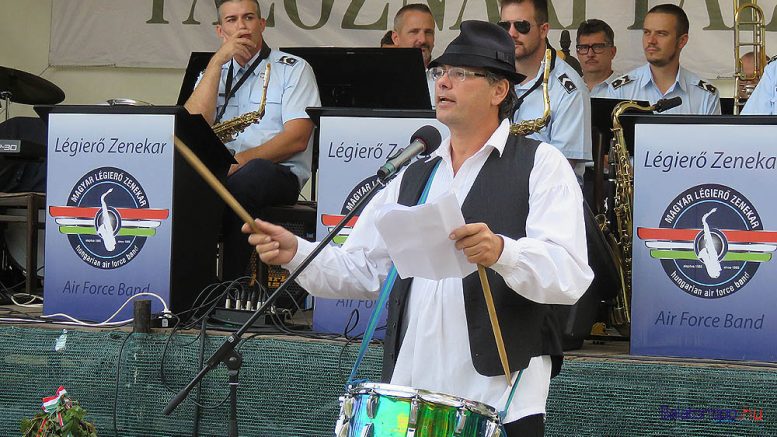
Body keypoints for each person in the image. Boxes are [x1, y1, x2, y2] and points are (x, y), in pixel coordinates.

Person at [245, 20, 593, 436]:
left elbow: (570, 274)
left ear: (499, 90)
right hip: (411, 396)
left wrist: (504, 252)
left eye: (461, 73)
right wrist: (297, 252)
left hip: (501, 397)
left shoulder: (541, 163)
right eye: (440, 72)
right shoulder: (414, 175)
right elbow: (368, 271)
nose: (443, 82)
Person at [184, 0, 320, 281]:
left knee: (251, 176)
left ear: (262, 24)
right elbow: (192, 127)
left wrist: (237, 162)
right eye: (232, 20)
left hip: (275, 174)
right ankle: (193, 288)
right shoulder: (213, 71)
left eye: (248, 18)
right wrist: (217, 62)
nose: (242, 26)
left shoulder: (294, 69)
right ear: (220, 31)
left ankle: (231, 286)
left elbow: (297, 139)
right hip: (221, 173)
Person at [499, 0, 592, 185]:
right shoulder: (494, 77)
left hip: (548, 191)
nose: (511, 33)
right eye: (504, 26)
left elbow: (561, 168)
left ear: (544, 30)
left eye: (522, 26)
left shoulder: (570, 90)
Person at [606, 4, 721, 115]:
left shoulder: (705, 95)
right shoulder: (620, 90)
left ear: (682, 41)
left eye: (661, 33)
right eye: (647, 32)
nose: (651, 40)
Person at [391, 4, 437, 108]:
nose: (423, 39)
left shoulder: (448, 79)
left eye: (428, 32)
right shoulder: (380, 78)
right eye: (414, 32)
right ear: (396, 38)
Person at [576, 19, 618, 97]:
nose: (590, 54)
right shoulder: (567, 91)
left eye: (598, 47)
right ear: (577, 53)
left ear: (612, 52)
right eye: (584, 48)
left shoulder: (628, 90)